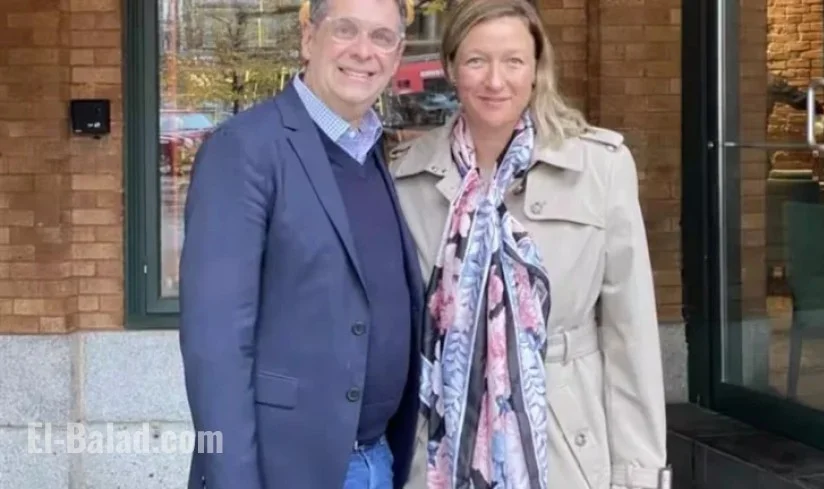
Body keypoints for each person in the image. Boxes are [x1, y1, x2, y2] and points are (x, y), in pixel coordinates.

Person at [390, 1, 670, 488]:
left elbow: (631, 337)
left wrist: (638, 472)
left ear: (538, 69)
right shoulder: (406, 175)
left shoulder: (599, 169)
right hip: (438, 448)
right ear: (452, 67)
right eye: (477, 60)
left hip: (565, 443)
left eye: (513, 61)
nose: (495, 81)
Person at [178, 0, 424, 488]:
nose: (363, 51)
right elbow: (217, 348)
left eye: (381, 38)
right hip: (287, 471)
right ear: (309, 39)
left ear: (396, 58)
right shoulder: (245, 149)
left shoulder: (372, 152)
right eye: (346, 30)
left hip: (379, 461)